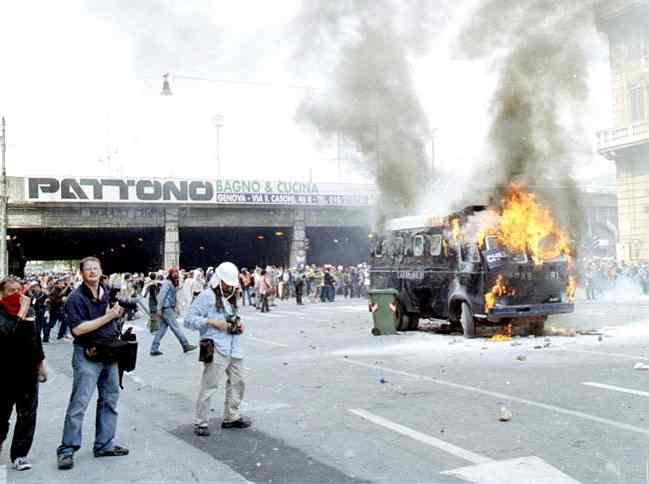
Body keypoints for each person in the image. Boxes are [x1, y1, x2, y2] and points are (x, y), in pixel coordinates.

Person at [56, 257, 128, 470]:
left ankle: (104, 444)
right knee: (79, 403)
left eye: (95, 268)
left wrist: (118, 315)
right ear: (82, 273)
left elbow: (114, 317)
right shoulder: (75, 299)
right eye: (88, 269)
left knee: (110, 400)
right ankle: (67, 449)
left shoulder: (107, 292)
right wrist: (109, 317)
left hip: (110, 352)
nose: (92, 272)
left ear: (101, 271)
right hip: (88, 354)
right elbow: (78, 330)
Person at [185, 262, 251, 436]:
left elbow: (233, 317)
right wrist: (211, 322)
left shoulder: (232, 295)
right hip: (214, 347)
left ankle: (232, 416)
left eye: (232, 285)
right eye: (227, 284)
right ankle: (201, 422)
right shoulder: (207, 296)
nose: (230, 287)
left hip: (234, 346)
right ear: (218, 281)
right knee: (209, 385)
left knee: (238, 382)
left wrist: (240, 325)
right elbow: (189, 319)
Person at [0, 277, 48, 471]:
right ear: (2, 293)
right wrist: (20, 314)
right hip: (4, 372)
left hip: (27, 371)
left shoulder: (30, 311)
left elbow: (35, 340)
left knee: (27, 414)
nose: (16, 294)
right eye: (11, 290)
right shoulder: (2, 312)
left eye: (19, 289)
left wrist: (41, 364)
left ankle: (20, 454)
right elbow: (7, 335)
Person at [150, 268, 197, 357]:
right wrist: (159, 309)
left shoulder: (171, 283)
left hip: (167, 308)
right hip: (166, 309)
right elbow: (161, 296)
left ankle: (154, 348)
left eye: (176, 273)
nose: (175, 275)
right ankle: (185, 345)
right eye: (174, 273)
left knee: (161, 330)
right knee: (176, 328)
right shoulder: (167, 283)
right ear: (170, 274)